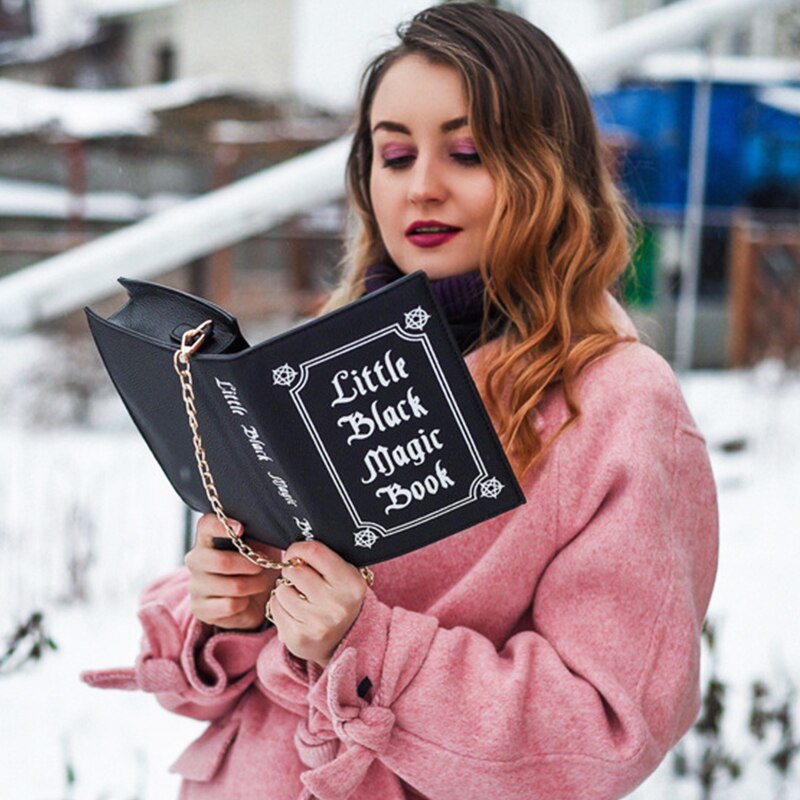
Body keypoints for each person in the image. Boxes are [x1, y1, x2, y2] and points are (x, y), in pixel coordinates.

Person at [82, 4, 718, 799]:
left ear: (549, 170)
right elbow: (270, 622)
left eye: (466, 152)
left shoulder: (620, 405)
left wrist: (368, 646)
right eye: (393, 153)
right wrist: (227, 605)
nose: (422, 187)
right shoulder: (323, 358)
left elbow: (606, 726)